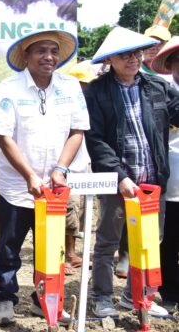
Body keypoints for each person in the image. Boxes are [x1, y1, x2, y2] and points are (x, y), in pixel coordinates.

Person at [0, 29, 85, 325]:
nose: (49, 57)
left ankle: (44, 299)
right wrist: (29, 175)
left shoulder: (70, 87)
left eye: (54, 51)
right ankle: (5, 297)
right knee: (9, 247)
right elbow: (3, 135)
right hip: (18, 187)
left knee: (51, 248)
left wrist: (61, 169)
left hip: (56, 189)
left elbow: (77, 131)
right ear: (27, 56)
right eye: (41, 51)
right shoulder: (10, 87)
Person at [84, 26, 179, 318]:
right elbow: (96, 139)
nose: (132, 60)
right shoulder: (97, 92)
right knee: (108, 241)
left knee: (151, 241)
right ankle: (101, 296)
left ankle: (137, 296)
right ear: (110, 60)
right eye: (124, 55)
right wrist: (120, 176)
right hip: (117, 180)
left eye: (136, 54)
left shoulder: (158, 88)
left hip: (153, 179)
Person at [150, 36, 179, 313]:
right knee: (168, 241)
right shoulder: (160, 93)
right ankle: (169, 292)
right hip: (170, 181)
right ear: (170, 64)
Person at [62, 61, 96, 273]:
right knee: (67, 214)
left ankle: (72, 253)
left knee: (81, 213)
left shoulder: (90, 107)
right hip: (68, 169)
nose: (85, 89)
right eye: (82, 85)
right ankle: (65, 256)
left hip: (85, 165)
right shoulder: (64, 106)